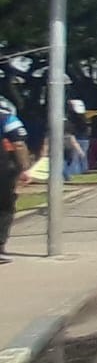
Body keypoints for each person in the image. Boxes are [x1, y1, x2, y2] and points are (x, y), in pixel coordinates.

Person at [0, 102, 33, 264]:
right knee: (4, 207)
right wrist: (24, 168)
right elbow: (18, 143)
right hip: (2, 169)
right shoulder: (6, 116)